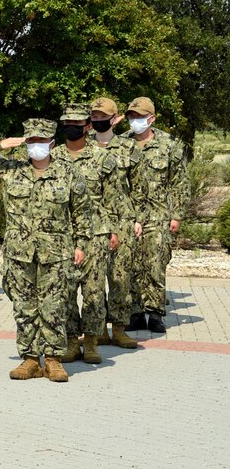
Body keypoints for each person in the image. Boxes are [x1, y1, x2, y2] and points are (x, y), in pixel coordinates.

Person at [0, 119, 91, 383]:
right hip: (19, 252)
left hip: (56, 253)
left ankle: (54, 359)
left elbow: (82, 211)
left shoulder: (68, 173)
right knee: (24, 306)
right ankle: (30, 359)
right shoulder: (11, 171)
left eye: (41, 141)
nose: (36, 146)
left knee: (54, 306)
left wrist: (81, 244)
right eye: (31, 141)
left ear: (52, 144)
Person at [52, 103, 134, 364]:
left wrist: (116, 231)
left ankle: (90, 342)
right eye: (66, 124)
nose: (71, 129)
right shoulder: (53, 158)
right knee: (65, 291)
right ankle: (70, 341)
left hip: (97, 234)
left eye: (76, 125)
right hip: (63, 236)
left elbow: (115, 199)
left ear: (87, 127)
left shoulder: (103, 159)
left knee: (94, 292)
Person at [123, 97, 189, 334]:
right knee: (131, 264)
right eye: (131, 116)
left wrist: (177, 215)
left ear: (152, 118)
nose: (135, 121)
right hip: (129, 216)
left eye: (139, 117)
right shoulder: (122, 144)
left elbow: (180, 182)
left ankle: (156, 313)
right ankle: (135, 313)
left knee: (154, 264)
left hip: (158, 215)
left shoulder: (169, 144)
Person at [88, 97, 140, 348]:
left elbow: (141, 188)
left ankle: (119, 328)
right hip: (93, 222)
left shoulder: (128, 148)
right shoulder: (84, 148)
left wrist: (139, 219)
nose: (98, 121)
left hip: (122, 221)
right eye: (94, 117)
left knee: (120, 278)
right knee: (94, 280)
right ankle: (97, 330)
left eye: (102, 117)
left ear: (115, 118)